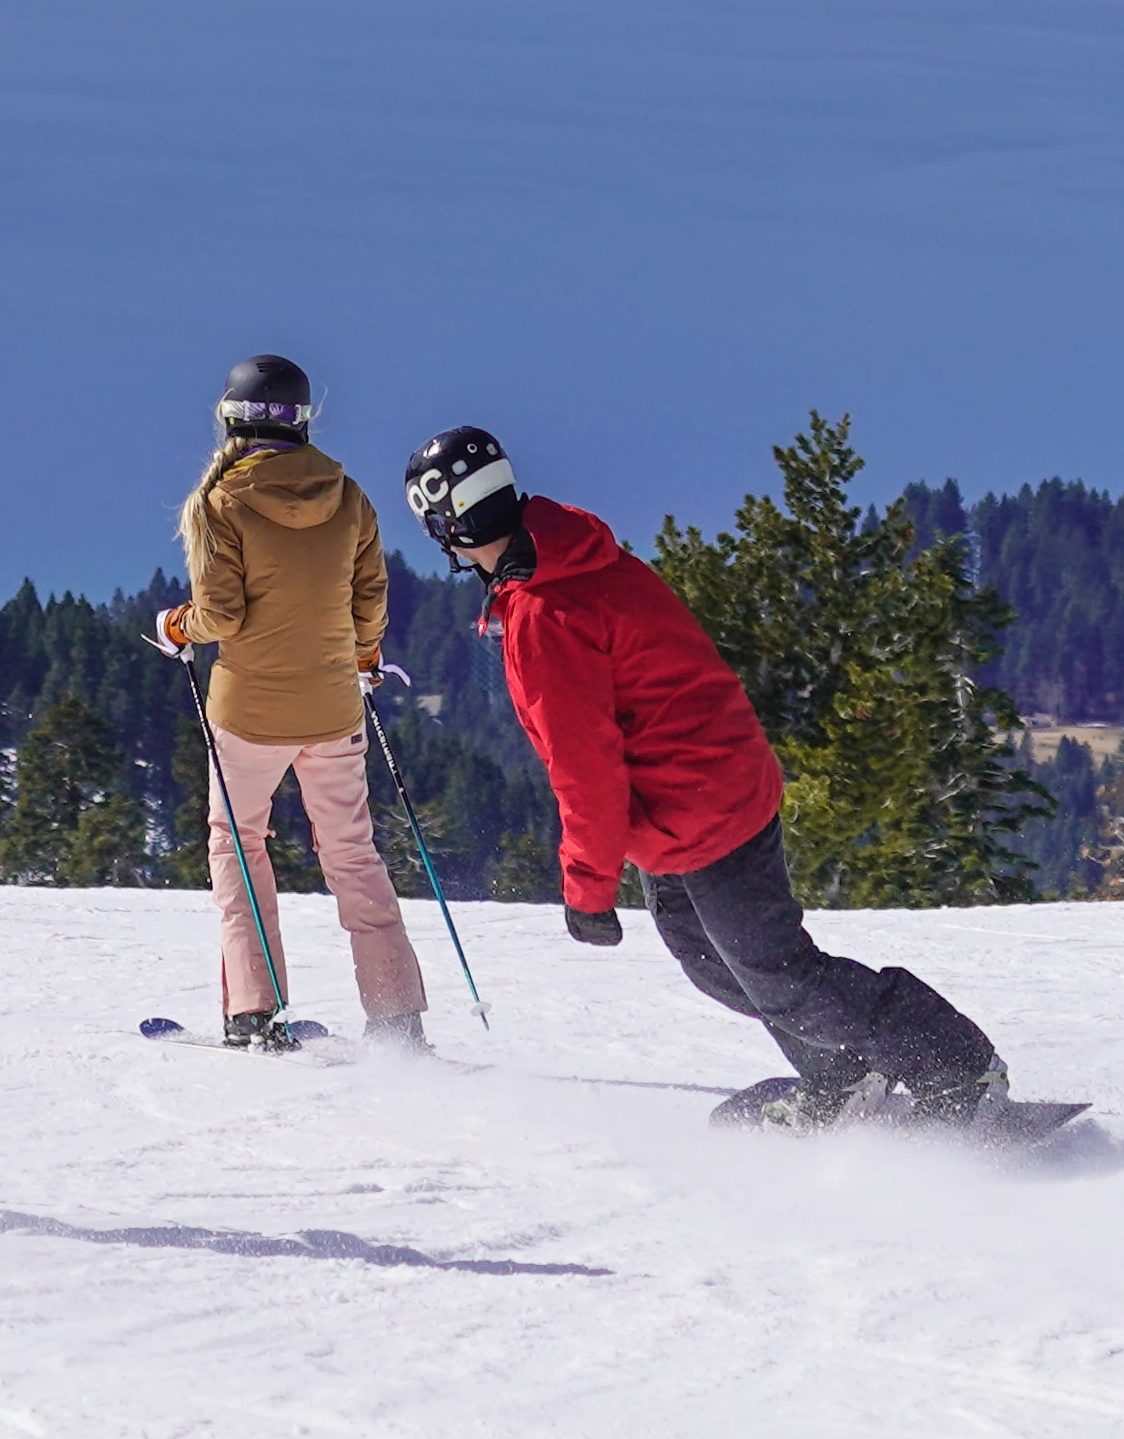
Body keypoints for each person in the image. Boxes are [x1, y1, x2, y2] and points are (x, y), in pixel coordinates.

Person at [400, 423, 1005, 1127]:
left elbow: (584, 768)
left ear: (443, 527)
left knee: (777, 970)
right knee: (711, 958)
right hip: (684, 807)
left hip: (703, 809)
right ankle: (841, 1075)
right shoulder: (569, 560)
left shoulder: (545, 608)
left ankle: (958, 1070)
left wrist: (588, 890)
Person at [158, 353, 429, 1052]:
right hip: (335, 706)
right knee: (352, 854)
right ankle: (397, 1019)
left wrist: (174, 627)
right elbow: (369, 604)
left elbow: (219, 615)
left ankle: (253, 1012)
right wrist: (363, 658)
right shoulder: (348, 496)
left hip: (248, 712)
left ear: (229, 418)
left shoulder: (221, 502)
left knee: (239, 845)